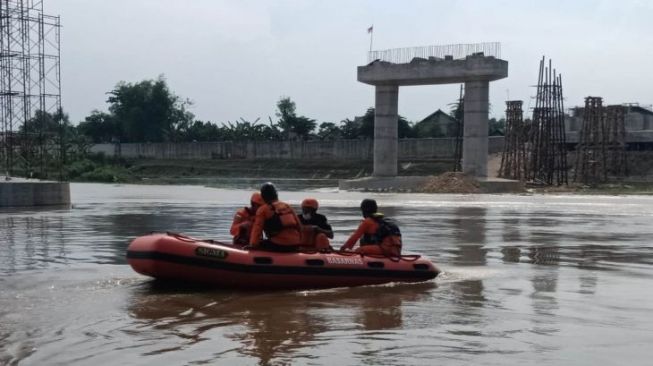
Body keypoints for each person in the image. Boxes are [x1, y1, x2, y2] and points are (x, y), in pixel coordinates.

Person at [249, 182, 303, 252]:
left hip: (278, 244)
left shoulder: (263, 210)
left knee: (261, 244)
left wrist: (252, 245)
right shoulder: (286, 206)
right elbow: (299, 226)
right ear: (276, 194)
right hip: (295, 244)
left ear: (263, 196)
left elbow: (257, 230)